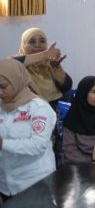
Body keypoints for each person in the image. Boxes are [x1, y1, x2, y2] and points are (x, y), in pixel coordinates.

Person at [0, 58, 57, 200]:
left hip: (35, 182)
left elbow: (37, 145)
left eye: (3, 86)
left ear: (16, 80)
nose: (0, 92)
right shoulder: (1, 107)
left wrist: (3, 144)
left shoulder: (38, 108)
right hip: (7, 185)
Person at [17, 28, 73, 108]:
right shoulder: (17, 68)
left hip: (54, 113)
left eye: (42, 41)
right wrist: (45, 54)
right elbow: (10, 63)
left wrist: (56, 68)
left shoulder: (49, 64)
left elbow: (66, 87)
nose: (37, 45)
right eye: (32, 42)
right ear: (23, 45)